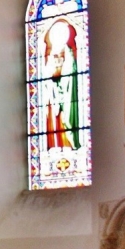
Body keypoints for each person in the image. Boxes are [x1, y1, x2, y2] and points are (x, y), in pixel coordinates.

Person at [43, 18, 80, 151]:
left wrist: (61, 71)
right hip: (53, 94)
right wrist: (51, 72)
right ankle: (55, 146)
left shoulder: (68, 52)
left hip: (66, 93)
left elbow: (71, 70)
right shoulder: (51, 53)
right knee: (54, 118)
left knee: (66, 118)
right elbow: (46, 73)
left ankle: (69, 144)